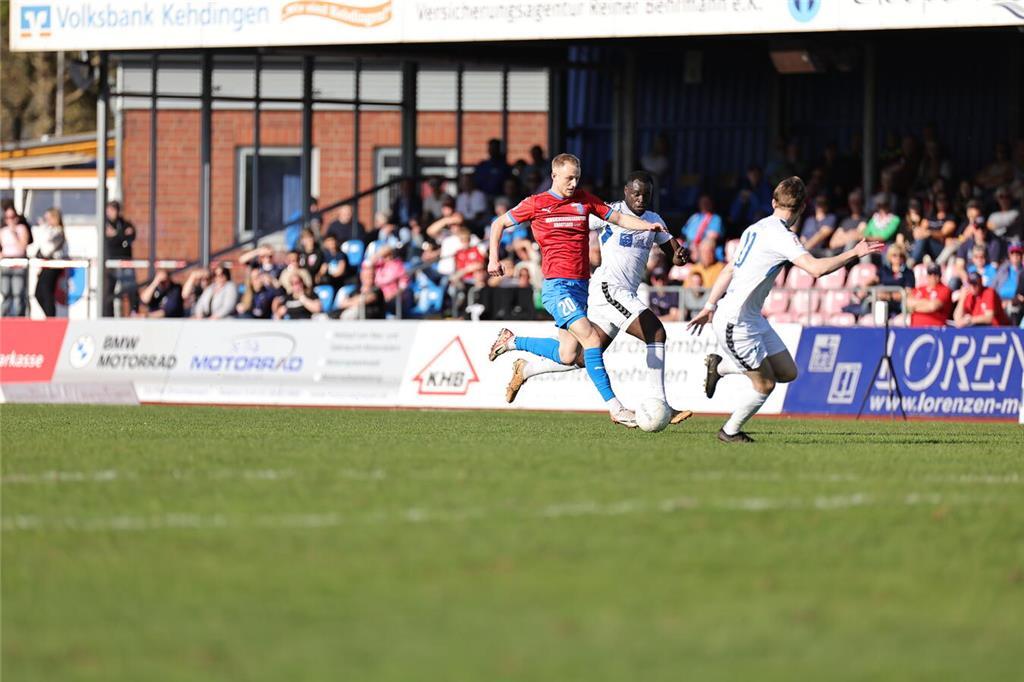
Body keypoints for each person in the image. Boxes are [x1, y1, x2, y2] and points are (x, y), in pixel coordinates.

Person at [688, 176, 883, 443]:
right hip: (736, 322)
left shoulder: (754, 228)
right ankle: (729, 432)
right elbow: (816, 269)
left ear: (773, 202)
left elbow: (730, 268)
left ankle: (720, 367)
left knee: (787, 372)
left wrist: (709, 305)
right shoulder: (783, 237)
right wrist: (854, 253)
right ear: (803, 208)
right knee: (765, 385)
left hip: (751, 318)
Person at [486, 154, 668, 427]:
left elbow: (618, 217)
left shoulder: (584, 200)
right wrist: (493, 258)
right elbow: (498, 223)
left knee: (568, 355)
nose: (573, 183)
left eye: (577, 178)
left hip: (580, 286)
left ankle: (512, 341)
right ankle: (616, 409)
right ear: (554, 175)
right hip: (556, 287)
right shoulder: (537, 203)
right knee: (592, 340)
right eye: (569, 178)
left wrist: (648, 225)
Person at [103, 200, 138, 317]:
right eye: (109, 210)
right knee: (109, 292)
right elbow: (110, 241)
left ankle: (134, 312)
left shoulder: (125, 223)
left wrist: (117, 234)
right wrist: (122, 235)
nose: (111, 213)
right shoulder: (105, 225)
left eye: (113, 210)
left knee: (130, 288)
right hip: (112, 263)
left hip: (125, 262)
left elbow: (131, 236)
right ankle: (108, 317)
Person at [32, 208, 69, 317]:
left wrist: (43, 231)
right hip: (46, 265)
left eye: (48, 218)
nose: (46, 221)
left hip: (54, 265)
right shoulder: (49, 230)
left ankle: (51, 318)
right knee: (38, 293)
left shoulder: (58, 232)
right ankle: (49, 316)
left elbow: (47, 250)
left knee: (46, 291)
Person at [1, 203, 31, 317]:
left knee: (17, 292)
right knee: (5, 292)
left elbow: (23, 246)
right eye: (7, 217)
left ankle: (19, 317)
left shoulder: (21, 229)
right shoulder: (2, 231)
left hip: (18, 262)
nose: (10, 220)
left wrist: (14, 233)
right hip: (6, 263)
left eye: (12, 217)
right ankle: (4, 317)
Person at [906, 263, 953, 327]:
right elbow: (908, 304)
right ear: (927, 275)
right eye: (930, 274)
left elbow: (933, 306)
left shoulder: (945, 290)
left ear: (940, 275)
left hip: (935, 329)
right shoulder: (919, 289)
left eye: (936, 274)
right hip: (915, 328)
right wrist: (927, 302)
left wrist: (915, 306)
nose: (933, 277)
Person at [682, 194, 723, 262]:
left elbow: (713, 236)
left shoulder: (716, 218)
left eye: (706, 202)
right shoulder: (694, 217)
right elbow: (684, 234)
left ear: (711, 203)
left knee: (705, 246)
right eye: (702, 202)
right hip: (689, 246)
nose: (704, 204)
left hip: (701, 247)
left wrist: (696, 245)